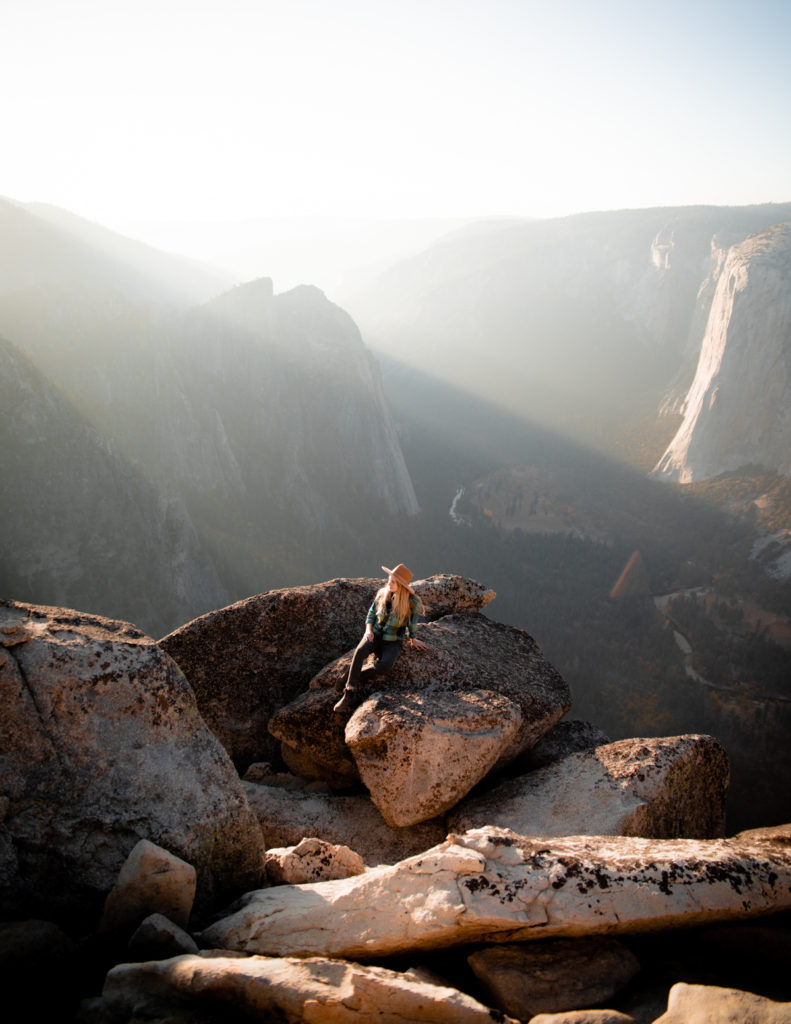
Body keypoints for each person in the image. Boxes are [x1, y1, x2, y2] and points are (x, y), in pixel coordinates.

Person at [333, 563, 427, 713]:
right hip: (375, 634)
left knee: (386, 665)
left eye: (392, 582)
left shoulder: (412, 603)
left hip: (393, 640)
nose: (388, 583)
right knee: (360, 652)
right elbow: (371, 615)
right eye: (389, 579)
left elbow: (412, 623)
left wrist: (413, 639)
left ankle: (351, 676)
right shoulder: (382, 594)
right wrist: (368, 631)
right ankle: (349, 691)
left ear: (401, 586)